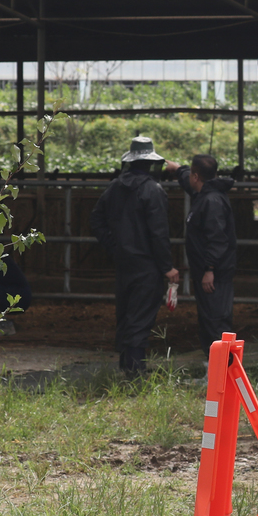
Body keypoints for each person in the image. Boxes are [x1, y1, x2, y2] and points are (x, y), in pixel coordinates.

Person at [90, 136, 180, 373]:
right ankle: (135, 371)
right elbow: (158, 233)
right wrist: (167, 267)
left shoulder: (115, 187)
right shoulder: (153, 190)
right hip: (148, 264)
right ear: (151, 163)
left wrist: (114, 246)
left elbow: (96, 219)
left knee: (127, 312)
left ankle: (126, 365)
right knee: (141, 317)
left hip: (124, 262)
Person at [169, 154, 237, 349]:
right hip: (209, 272)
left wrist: (209, 268)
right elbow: (187, 180)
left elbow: (217, 238)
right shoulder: (205, 194)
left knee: (216, 320)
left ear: (196, 177)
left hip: (214, 274)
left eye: (190, 173)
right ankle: (212, 371)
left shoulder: (211, 201)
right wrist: (178, 168)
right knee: (208, 319)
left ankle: (222, 373)